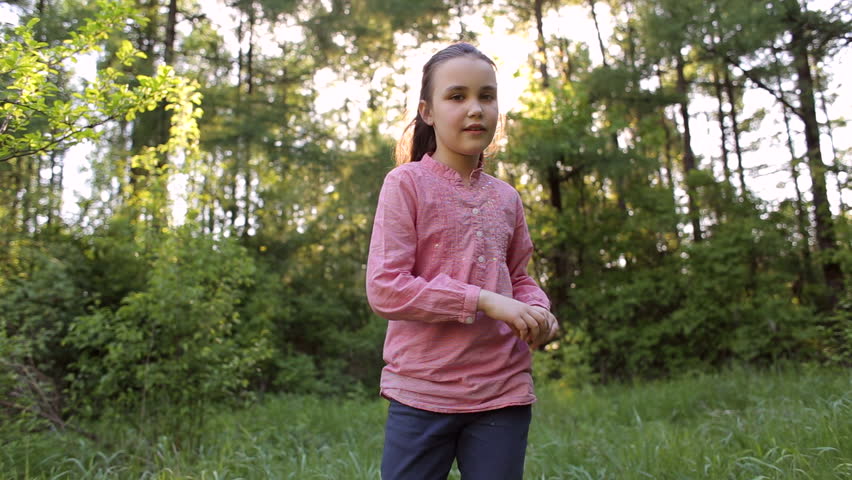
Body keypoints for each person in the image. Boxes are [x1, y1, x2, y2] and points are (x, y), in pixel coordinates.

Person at [365, 42, 559, 480]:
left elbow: (518, 278)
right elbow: (385, 288)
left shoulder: (507, 197)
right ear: (428, 112)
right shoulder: (406, 184)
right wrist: (486, 301)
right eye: (457, 96)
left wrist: (538, 312)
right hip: (421, 391)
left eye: (486, 96)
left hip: (503, 390)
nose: (475, 108)